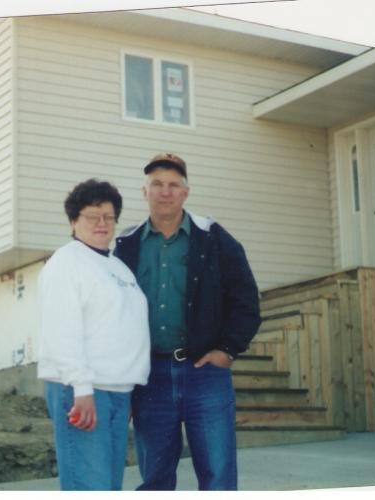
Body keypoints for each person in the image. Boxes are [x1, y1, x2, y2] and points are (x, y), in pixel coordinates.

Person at [114, 153, 262, 491]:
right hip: (149, 378)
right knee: (155, 480)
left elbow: (246, 301)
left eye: (173, 185)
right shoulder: (127, 244)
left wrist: (227, 350)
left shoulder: (214, 237)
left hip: (204, 374)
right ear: (144, 192)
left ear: (185, 192)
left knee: (218, 477)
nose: (165, 192)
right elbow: (115, 315)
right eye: (157, 184)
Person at [37, 178, 151, 491]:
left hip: (117, 391)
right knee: (90, 487)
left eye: (109, 217)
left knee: (109, 487)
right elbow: (62, 329)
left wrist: (127, 388)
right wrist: (82, 388)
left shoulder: (117, 267)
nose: (102, 223)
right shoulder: (67, 262)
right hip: (83, 391)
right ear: (74, 221)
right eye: (92, 216)